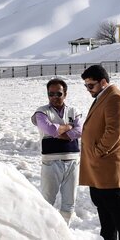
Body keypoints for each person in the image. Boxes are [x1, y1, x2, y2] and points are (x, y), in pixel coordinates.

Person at [80, 65, 120, 240]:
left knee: (115, 205)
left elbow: (114, 131)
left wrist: (97, 151)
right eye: (86, 86)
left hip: (108, 162)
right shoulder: (103, 96)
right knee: (102, 203)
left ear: (103, 81)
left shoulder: (115, 98)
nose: (89, 89)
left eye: (91, 85)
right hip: (98, 164)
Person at [31, 78, 83, 224]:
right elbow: (49, 129)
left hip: (72, 161)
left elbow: (80, 130)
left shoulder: (74, 111)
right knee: (47, 201)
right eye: (51, 94)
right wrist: (68, 127)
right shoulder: (41, 112)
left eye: (58, 94)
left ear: (65, 94)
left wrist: (60, 133)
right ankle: (43, 231)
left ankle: (64, 233)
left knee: (69, 202)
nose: (54, 97)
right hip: (51, 162)